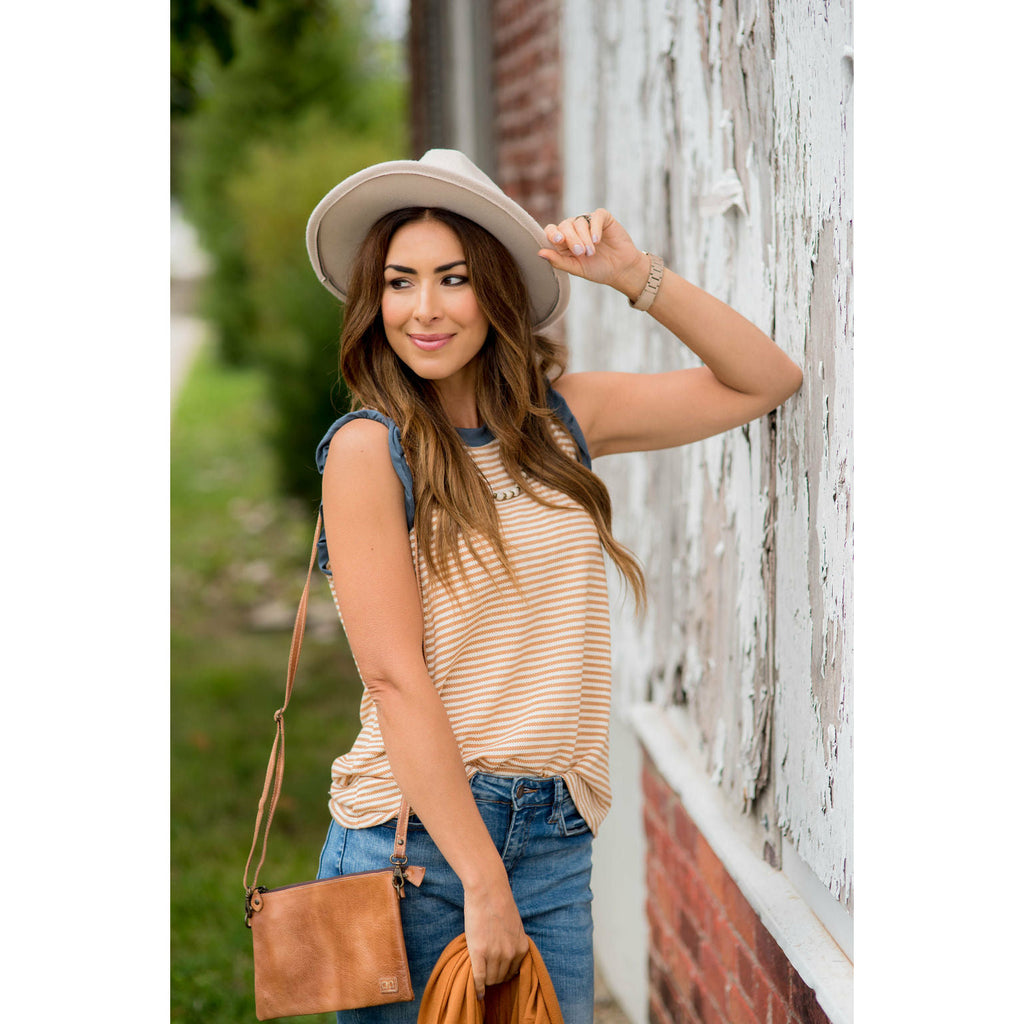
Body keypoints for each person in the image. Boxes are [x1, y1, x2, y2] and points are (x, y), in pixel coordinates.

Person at [304, 149, 802, 1024]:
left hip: (556, 840)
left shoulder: (562, 422)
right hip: (417, 846)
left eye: (453, 279)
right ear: (372, 300)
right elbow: (393, 678)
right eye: (399, 281)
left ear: (496, 292)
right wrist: (482, 882)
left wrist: (632, 274)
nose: (423, 309)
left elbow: (765, 380)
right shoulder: (367, 451)